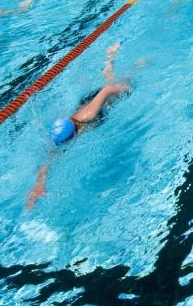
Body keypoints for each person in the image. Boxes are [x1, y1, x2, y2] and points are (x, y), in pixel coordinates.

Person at [26, 43, 130, 209]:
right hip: (88, 105)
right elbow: (49, 158)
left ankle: (110, 57)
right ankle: (110, 61)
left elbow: (108, 89)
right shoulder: (64, 135)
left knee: (120, 80)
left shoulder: (87, 116)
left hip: (98, 102)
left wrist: (121, 89)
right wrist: (39, 183)